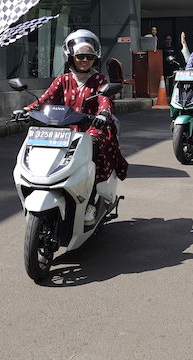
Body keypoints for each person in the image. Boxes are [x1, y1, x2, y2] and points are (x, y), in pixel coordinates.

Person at [21, 29, 128, 220]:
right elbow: (44, 100)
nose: (85, 60)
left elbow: (105, 100)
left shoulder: (99, 80)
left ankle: (92, 199)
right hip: (65, 129)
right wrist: (27, 110)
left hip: (93, 128)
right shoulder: (62, 80)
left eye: (89, 56)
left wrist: (104, 113)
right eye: (80, 56)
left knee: (96, 150)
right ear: (71, 57)